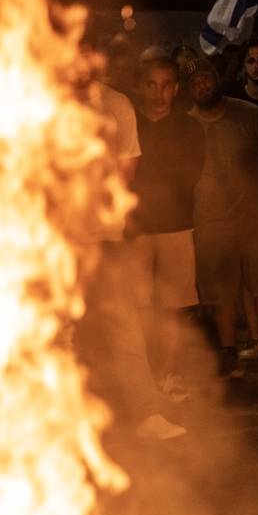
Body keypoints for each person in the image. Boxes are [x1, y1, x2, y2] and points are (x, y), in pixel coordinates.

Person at [73, 72, 186, 441]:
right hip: (46, 240)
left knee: (124, 327)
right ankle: (58, 419)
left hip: (103, 237)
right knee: (56, 329)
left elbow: (125, 173)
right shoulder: (32, 90)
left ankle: (145, 413)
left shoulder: (115, 104)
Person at [186, 55, 258, 379]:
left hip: (255, 216)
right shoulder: (187, 124)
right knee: (220, 292)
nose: (201, 85)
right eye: (194, 81)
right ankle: (229, 356)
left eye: (206, 78)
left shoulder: (249, 114)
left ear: (216, 79)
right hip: (210, 219)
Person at [127, 57, 208, 402]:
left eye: (166, 85)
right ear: (140, 86)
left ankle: (170, 373)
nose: (159, 93)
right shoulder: (130, 123)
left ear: (176, 88)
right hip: (135, 229)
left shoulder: (189, 128)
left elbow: (190, 177)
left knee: (175, 306)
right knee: (138, 306)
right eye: (151, 84)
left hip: (177, 226)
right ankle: (143, 377)